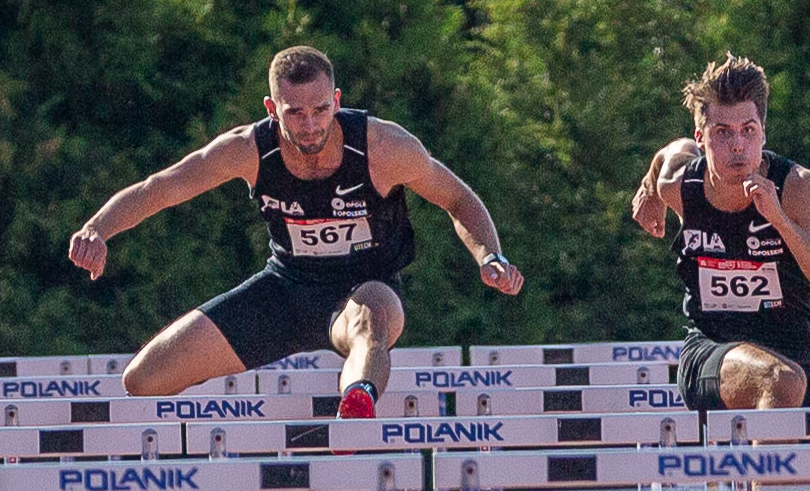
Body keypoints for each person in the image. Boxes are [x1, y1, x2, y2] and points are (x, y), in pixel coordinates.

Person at [67, 45, 521, 411]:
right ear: (272, 109)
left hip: (366, 287)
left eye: (321, 110)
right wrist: (98, 228)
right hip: (284, 291)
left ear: (337, 102)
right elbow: (162, 188)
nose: (310, 126)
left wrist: (490, 255)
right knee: (144, 378)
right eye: (295, 114)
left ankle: (357, 405)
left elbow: (458, 197)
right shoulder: (248, 149)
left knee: (369, 324)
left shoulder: (382, 146)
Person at [628, 56, 810, 409]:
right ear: (701, 138)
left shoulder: (799, 189)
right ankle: (764, 465)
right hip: (710, 352)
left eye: (748, 131)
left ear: (763, 133)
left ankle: (758, 463)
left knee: (786, 382)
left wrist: (780, 221)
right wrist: (650, 187)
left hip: (792, 354)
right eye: (723, 133)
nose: (737, 146)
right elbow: (672, 154)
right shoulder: (681, 186)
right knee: (778, 380)